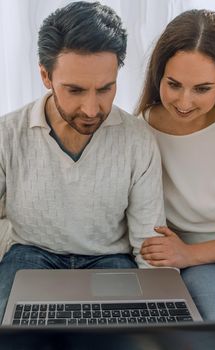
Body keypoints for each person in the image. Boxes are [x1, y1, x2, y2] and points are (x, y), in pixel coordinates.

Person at [0, 1, 165, 322]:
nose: (91, 109)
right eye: (74, 90)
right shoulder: (7, 134)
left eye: (105, 89)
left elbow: (149, 241)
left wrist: (157, 318)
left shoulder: (138, 139)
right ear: (45, 76)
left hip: (109, 260)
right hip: (31, 256)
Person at [136, 9, 215, 320]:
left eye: (202, 89)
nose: (183, 102)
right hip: (198, 261)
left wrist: (190, 254)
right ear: (159, 77)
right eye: (174, 84)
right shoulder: (139, 131)